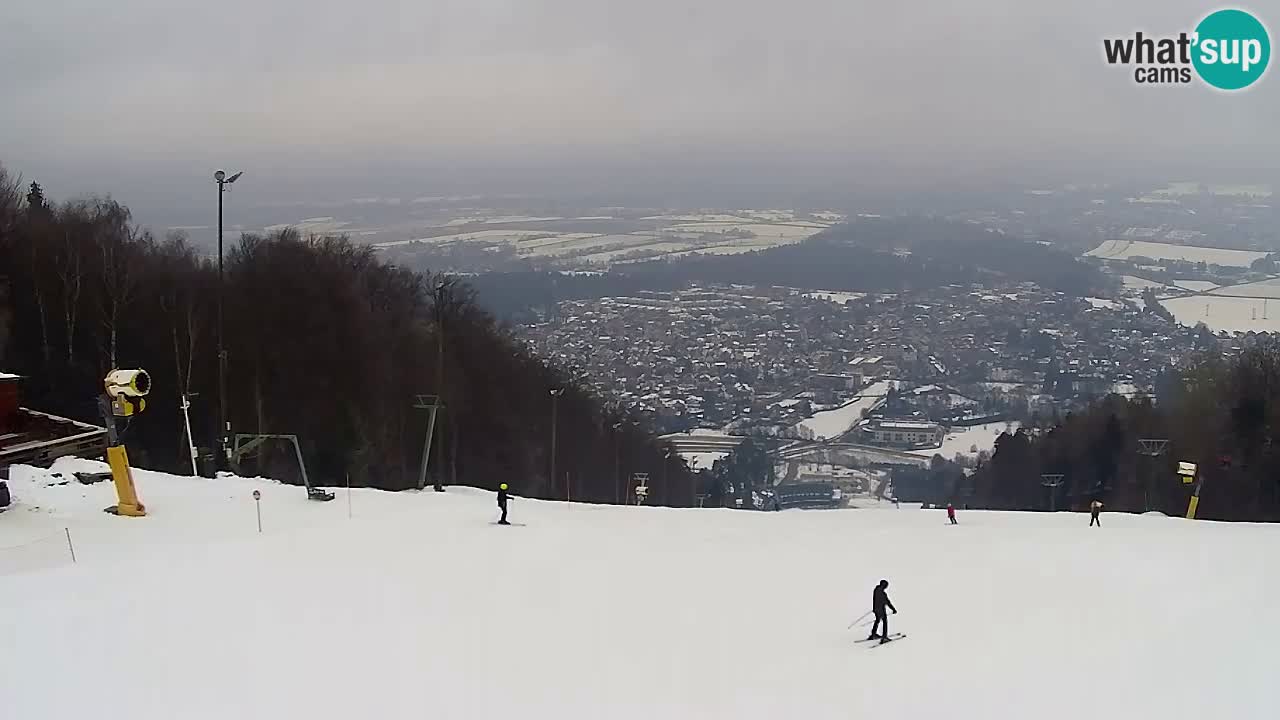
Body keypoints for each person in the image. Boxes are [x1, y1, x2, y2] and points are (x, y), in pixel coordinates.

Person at [869, 579, 898, 643]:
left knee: (877, 620)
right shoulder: (882, 593)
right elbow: (887, 602)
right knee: (885, 621)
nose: (886, 587)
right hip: (881, 610)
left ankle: (873, 634)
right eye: (886, 585)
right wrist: (893, 609)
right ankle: (884, 637)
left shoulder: (876, 590)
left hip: (875, 609)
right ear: (884, 585)